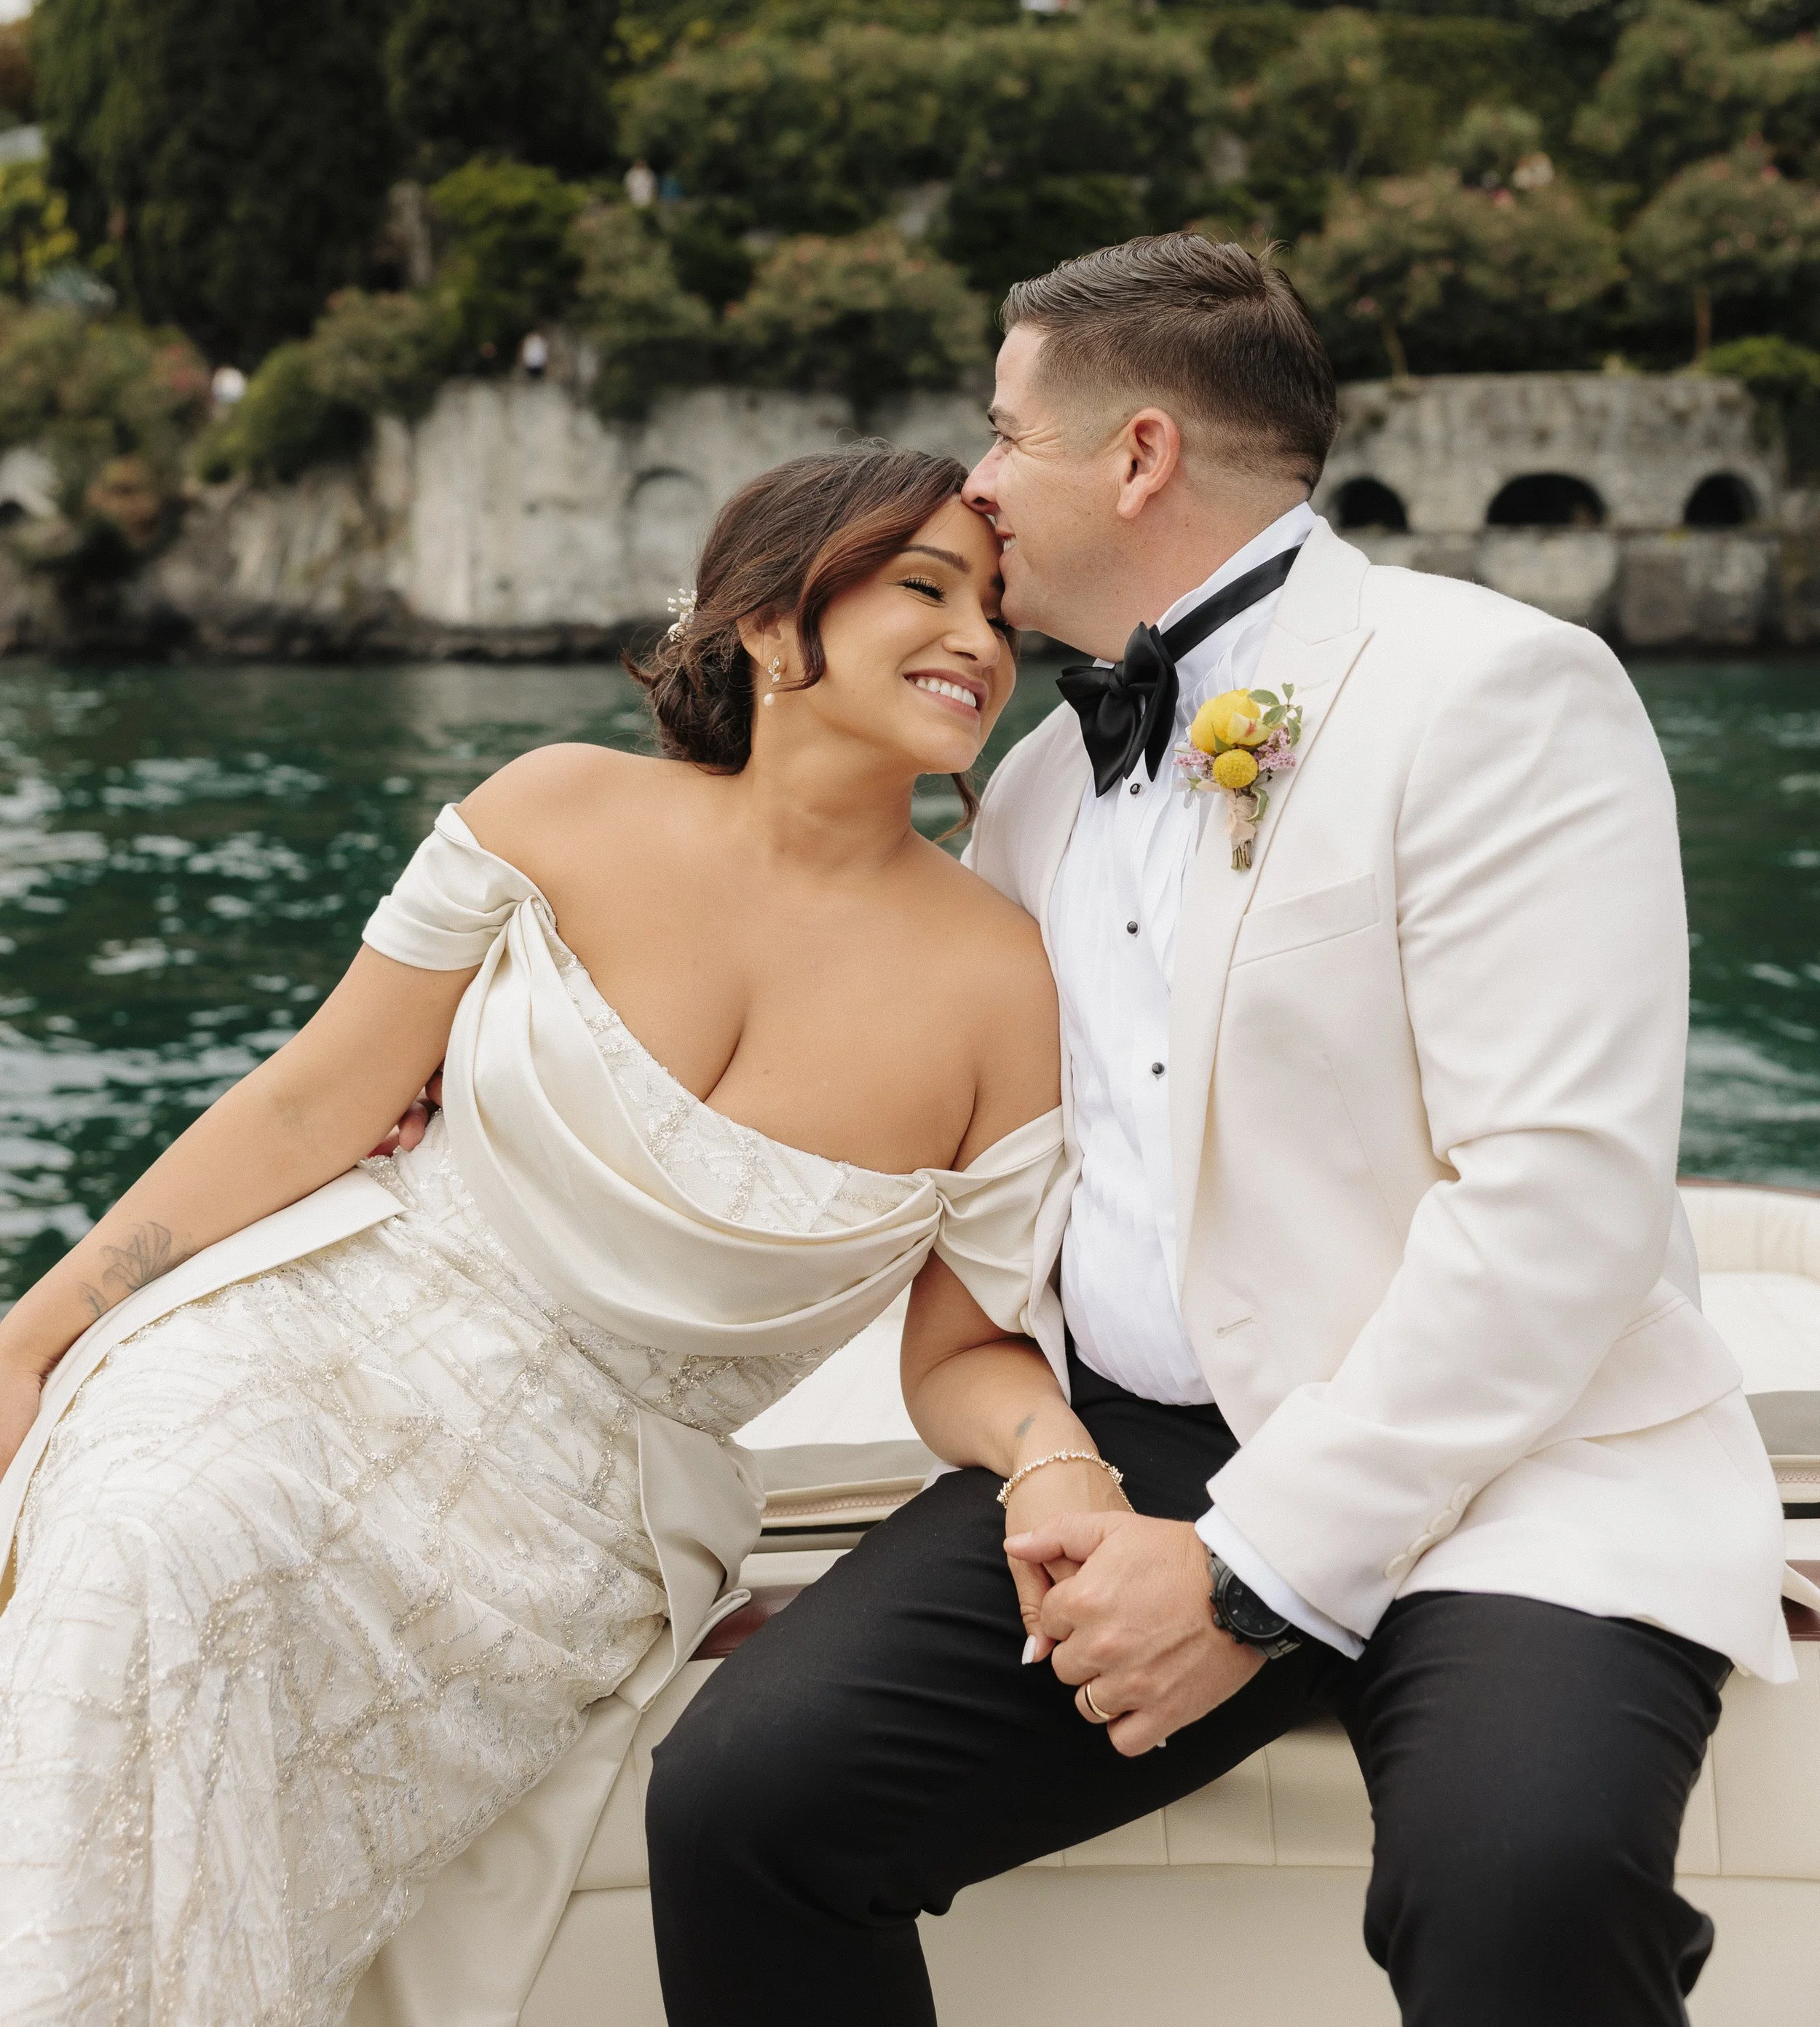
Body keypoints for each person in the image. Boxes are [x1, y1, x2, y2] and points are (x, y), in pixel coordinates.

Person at [647, 234, 1792, 2027]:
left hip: (1517, 1466)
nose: (970, 483)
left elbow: (1560, 1205)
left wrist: (1248, 1574)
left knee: (1522, 1885)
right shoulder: (1026, 789)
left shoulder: (1496, 691)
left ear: (1137, 457)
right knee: (744, 1805)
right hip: (1131, 1452)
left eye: (1003, 432)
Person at [0, 447, 1085, 2027]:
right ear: (775, 629)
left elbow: (960, 1347)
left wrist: (1056, 1459)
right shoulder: (555, 808)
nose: (980, 643)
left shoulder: (1003, 983)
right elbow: (310, 1107)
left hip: (576, 1508)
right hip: (311, 1331)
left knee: (227, 1617)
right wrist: (33, 1337)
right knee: (154, 1537)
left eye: (997, 611)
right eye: (923, 588)